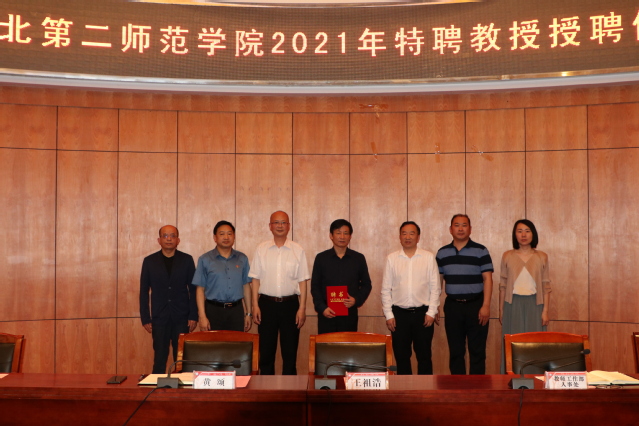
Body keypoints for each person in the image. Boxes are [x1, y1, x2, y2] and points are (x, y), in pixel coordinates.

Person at [249, 211, 310, 375]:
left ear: (289, 226)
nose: (280, 226)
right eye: (276, 222)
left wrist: (302, 308)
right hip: (266, 305)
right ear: (270, 226)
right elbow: (255, 279)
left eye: (283, 222)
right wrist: (255, 305)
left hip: (290, 306)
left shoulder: (298, 250)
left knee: (290, 353)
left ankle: (290, 389)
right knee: (266, 354)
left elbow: (302, 281)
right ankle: (266, 388)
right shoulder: (261, 249)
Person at [436, 214, 493, 375]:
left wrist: (486, 306)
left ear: (470, 229)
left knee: (477, 351)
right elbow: (437, 282)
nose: (460, 229)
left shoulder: (481, 251)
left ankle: (477, 388)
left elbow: (488, 279)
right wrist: (435, 305)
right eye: (456, 225)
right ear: (450, 229)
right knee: (456, 351)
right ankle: (457, 387)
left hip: (476, 305)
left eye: (464, 225)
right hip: (453, 306)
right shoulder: (442, 253)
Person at [381, 221, 441, 375]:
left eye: (412, 233)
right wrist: (389, 315)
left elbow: (435, 287)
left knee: (424, 357)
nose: (408, 237)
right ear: (400, 237)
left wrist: (431, 312)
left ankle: (425, 388)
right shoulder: (392, 258)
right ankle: (404, 388)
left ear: (418, 237)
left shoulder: (428, 257)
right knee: (401, 357)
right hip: (399, 315)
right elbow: (386, 289)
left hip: (423, 315)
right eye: (404, 233)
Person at [140, 225, 198, 374]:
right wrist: (145, 318)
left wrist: (193, 315)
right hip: (159, 317)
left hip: (182, 317)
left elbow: (193, 290)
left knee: (181, 359)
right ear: (159, 240)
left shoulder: (187, 260)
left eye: (172, 236)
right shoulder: (149, 261)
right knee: (159, 358)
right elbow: (144, 291)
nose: (169, 239)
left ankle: (182, 388)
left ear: (178, 240)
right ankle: (156, 387)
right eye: (165, 236)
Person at [499, 219, 551, 373]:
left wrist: (545, 311)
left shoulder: (542, 256)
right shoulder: (507, 256)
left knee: (535, 345)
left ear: (533, 234)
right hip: (512, 304)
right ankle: (511, 377)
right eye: (519, 231)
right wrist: (501, 309)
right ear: (515, 234)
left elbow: (546, 286)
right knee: (513, 345)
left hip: (535, 305)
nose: (523, 235)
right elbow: (503, 285)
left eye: (527, 231)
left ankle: (536, 378)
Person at [311, 219, 372, 334]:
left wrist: (356, 300)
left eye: (346, 233)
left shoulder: (358, 258)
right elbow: (315, 286)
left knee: (347, 345)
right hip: (327, 313)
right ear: (331, 236)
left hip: (349, 314)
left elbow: (366, 285)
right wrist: (322, 308)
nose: (342, 236)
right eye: (338, 233)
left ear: (350, 236)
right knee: (326, 345)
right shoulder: (321, 258)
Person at [193, 221, 252, 332]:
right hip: (213, 310)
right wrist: (202, 316)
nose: (226, 237)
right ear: (215, 237)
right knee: (213, 343)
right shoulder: (205, 259)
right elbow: (200, 289)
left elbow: (246, 286)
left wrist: (249, 313)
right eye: (222, 234)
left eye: (229, 233)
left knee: (236, 342)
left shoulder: (242, 258)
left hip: (236, 311)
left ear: (234, 236)